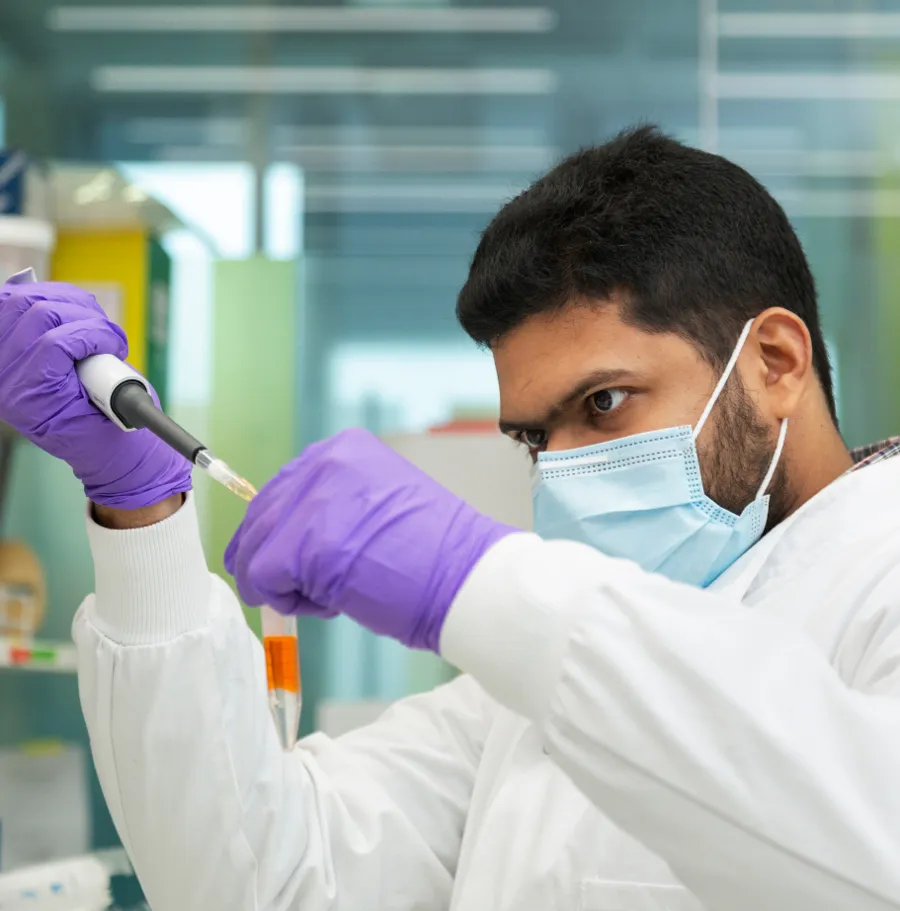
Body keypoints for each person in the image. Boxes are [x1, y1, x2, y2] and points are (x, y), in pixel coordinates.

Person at [2, 126, 900, 911]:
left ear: (776, 362)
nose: (569, 468)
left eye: (605, 402)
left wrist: (474, 578)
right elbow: (258, 883)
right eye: (534, 436)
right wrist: (141, 510)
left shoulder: (877, 570)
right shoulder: (524, 695)